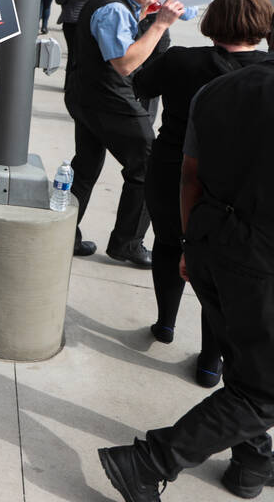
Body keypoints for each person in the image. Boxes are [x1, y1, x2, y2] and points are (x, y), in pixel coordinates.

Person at [98, 51, 274, 502]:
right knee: (263, 391)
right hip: (258, 257)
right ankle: (149, 461)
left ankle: (250, 463)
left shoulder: (220, 89)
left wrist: (188, 242)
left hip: (212, 237)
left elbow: (189, 174)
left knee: (244, 362)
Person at [132, 0, 272, 385]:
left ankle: (165, 324)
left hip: (172, 166)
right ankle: (211, 361)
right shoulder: (264, 71)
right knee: (221, 270)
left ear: (211, 22)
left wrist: (156, 28)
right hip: (233, 183)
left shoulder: (181, 61)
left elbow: (140, 83)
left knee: (168, 242)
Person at [64, 0, 185, 263]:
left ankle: (63, 234)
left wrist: (146, 18)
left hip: (90, 95)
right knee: (148, 165)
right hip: (107, 97)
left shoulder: (122, 6)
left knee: (86, 167)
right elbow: (125, 63)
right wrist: (160, 25)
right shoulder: (114, 9)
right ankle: (127, 243)